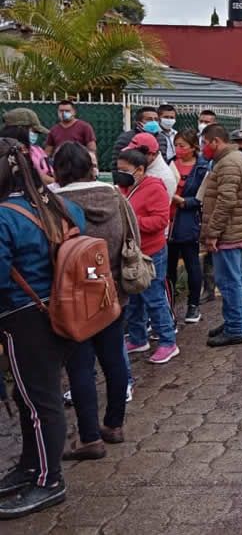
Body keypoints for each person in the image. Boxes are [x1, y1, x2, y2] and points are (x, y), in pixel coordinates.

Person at [0, 138, 86, 519]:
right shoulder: (62, 206)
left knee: (39, 402)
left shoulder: (4, 216)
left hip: (23, 317)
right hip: (65, 313)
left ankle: (49, 481)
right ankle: (30, 467)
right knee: (34, 397)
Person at [51, 142, 133, 461]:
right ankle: (114, 425)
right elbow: (132, 238)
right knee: (114, 359)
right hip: (111, 292)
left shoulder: (55, 202)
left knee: (81, 367)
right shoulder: (114, 196)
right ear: (90, 166)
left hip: (72, 298)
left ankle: (88, 438)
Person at [116, 149, 179, 365]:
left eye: (125, 170)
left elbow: (161, 221)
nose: (120, 174)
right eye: (118, 169)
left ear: (140, 170)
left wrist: (131, 221)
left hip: (151, 252)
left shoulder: (154, 187)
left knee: (154, 297)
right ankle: (137, 338)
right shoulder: (123, 188)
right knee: (133, 298)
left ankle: (168, 342)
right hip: (131, 252)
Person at [199, 124, 242, 347]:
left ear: (215, 141)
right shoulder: (233, 158)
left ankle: (235, 328)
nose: (202, 148)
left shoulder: (228, 163)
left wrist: (213, 233)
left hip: (228, 233)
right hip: (234, 230)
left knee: (229, 281)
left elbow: (226, 202)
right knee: (235, 279)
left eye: (204, 143)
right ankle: (233, 320)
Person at [168, 130, 209, 325]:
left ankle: (193, 305)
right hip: (167, 220)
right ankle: (169, 306)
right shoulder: (168, 164)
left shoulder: (202, 168)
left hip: (189, 219)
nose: (178, 149)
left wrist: (183, 201)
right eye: (176, 145)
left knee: (192, 263)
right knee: (168, 267)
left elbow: (203, 197)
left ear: (193, 147)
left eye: (183, 146)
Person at [122, 132, 178, 203]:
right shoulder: (139, 166)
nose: (132, 157)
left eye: (137, 154)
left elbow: (160, 210)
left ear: (152, 155)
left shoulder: (166, 178)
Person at [112, 106, 166, 171]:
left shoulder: (161, 138)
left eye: (156, 119)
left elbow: (164, 160)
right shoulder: (126, 138)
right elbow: (116, 163)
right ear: (138, 123)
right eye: (149, 119)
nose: (154, 122)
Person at [0, 120, 53, 186]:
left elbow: (50, 170)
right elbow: (36, 177)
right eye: (32, 131)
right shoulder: (14, 153)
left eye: (37, 132)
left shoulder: (37, 149)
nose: (34, 135)